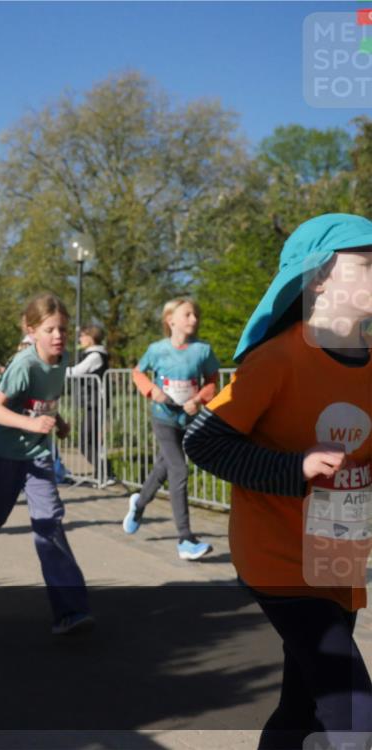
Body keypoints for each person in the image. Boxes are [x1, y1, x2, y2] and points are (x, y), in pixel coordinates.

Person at [185, 214, 372, 749]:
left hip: (339, 555)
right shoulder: (278, 358)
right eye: (366, 265)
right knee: (357, 720)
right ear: (319, 280)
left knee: (303, 708)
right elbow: (205, 442)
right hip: (280, 561)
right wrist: (295, 468)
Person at [0, 294, 93, 635]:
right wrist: (32, 425)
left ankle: (71, 611)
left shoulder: (62, 360)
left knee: (49, 523)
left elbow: (43, 405)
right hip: (1, 456)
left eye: (63, 329)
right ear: (31, 331)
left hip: (37, 457)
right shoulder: (24, 365)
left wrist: (58, 422)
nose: (58, 336)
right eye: (50, 329)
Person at [122, 298, 219, 560]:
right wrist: (152, 390)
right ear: (170, 320)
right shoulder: (157, 350)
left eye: (195, 315)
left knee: (164, 467)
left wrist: (198, 400)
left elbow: (212, 380)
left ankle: (139, 503)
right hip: (163, 418)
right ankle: (185, 539)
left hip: (187, 420)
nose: (194, 319)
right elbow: (138, 372)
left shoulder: (202, 350)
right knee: (179, 469)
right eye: (187, 314)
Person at [67, 325, 110, 478]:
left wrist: (55, 370)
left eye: (83, 336)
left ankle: (106, 472)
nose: (80, 339)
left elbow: (76, 371)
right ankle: (103, 473)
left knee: (85, 441)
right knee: (90, 440)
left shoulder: (95, 356)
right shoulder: (94, 354)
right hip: (94, 402)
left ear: (91, 338)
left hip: (96, 403)